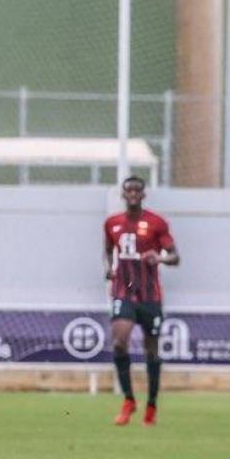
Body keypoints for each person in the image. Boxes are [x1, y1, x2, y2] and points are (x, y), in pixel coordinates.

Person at [103, 175, 179, 426]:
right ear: (123, 195)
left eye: (137, 190)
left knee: (151, 351)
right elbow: (106, 251)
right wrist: (108, 268)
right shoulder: (112, 223)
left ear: (143, 194)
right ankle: (128, 400)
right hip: (123, 292)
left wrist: (160, 259)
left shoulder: (157, 223)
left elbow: (175, 256)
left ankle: (152, 404)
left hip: (150, 296)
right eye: (129, 190)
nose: (133, 194)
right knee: (119, 344)